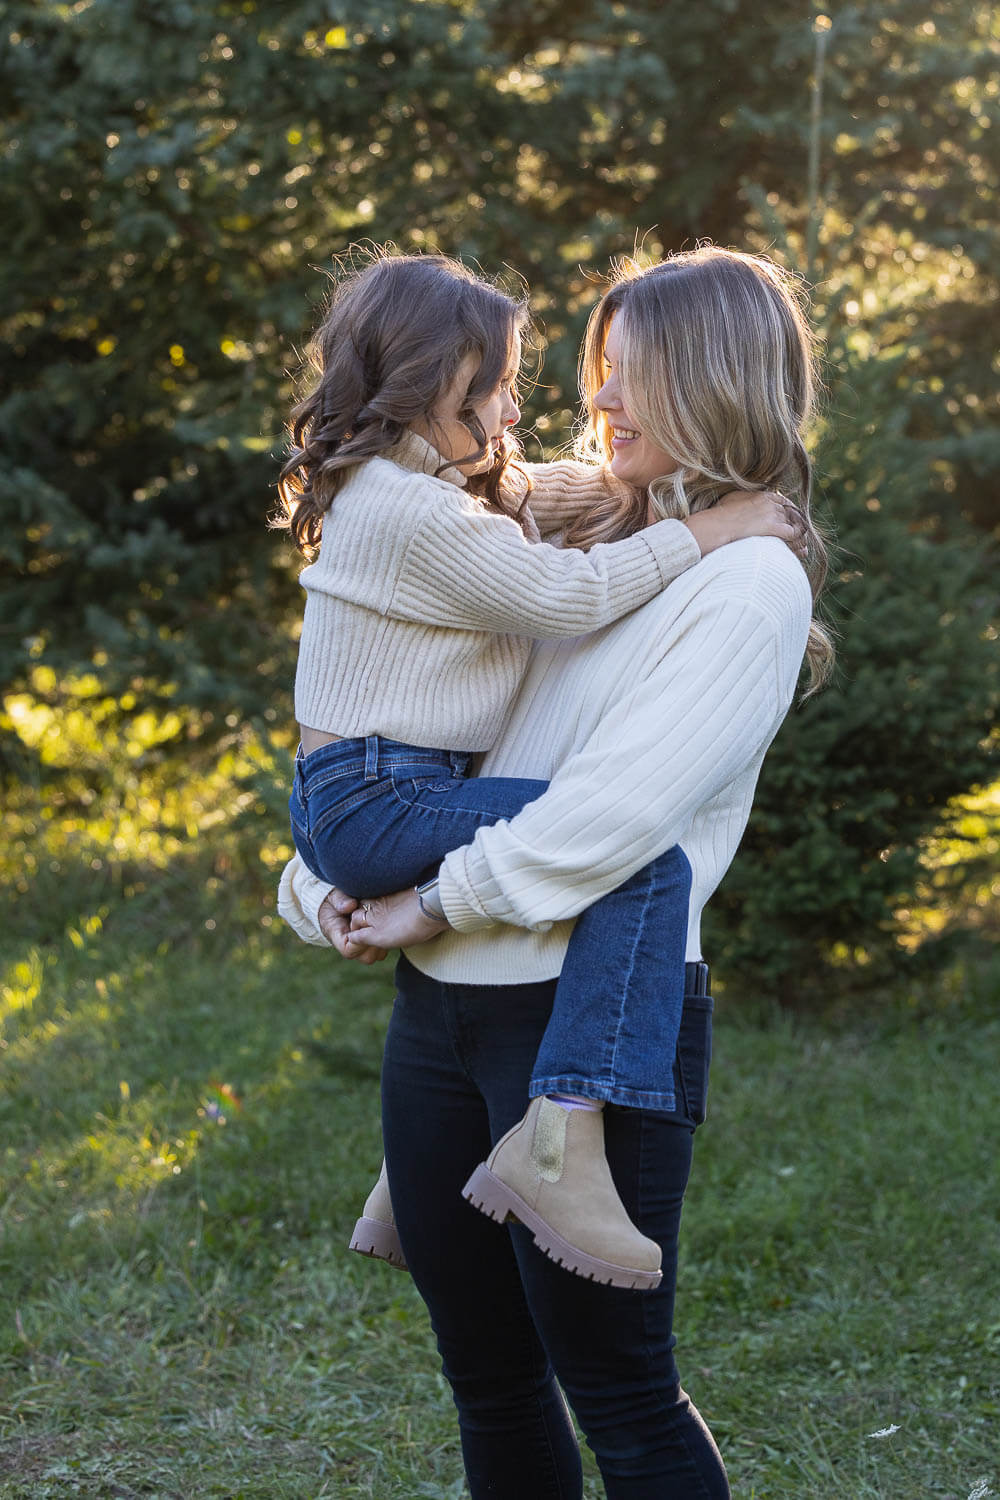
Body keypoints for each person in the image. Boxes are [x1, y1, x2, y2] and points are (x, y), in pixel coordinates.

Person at [279, 244, 833, 1497]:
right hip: (441, 1017)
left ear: (712, 381)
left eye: (631, 375)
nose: (600, 401)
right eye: (597, 371)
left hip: (589, 1013)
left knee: (622, 1400)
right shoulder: (568, 543)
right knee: (489, 1380)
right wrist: (320, 887)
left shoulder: (744, 578)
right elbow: (411, 749)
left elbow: (608, 821)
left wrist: (429, 902)